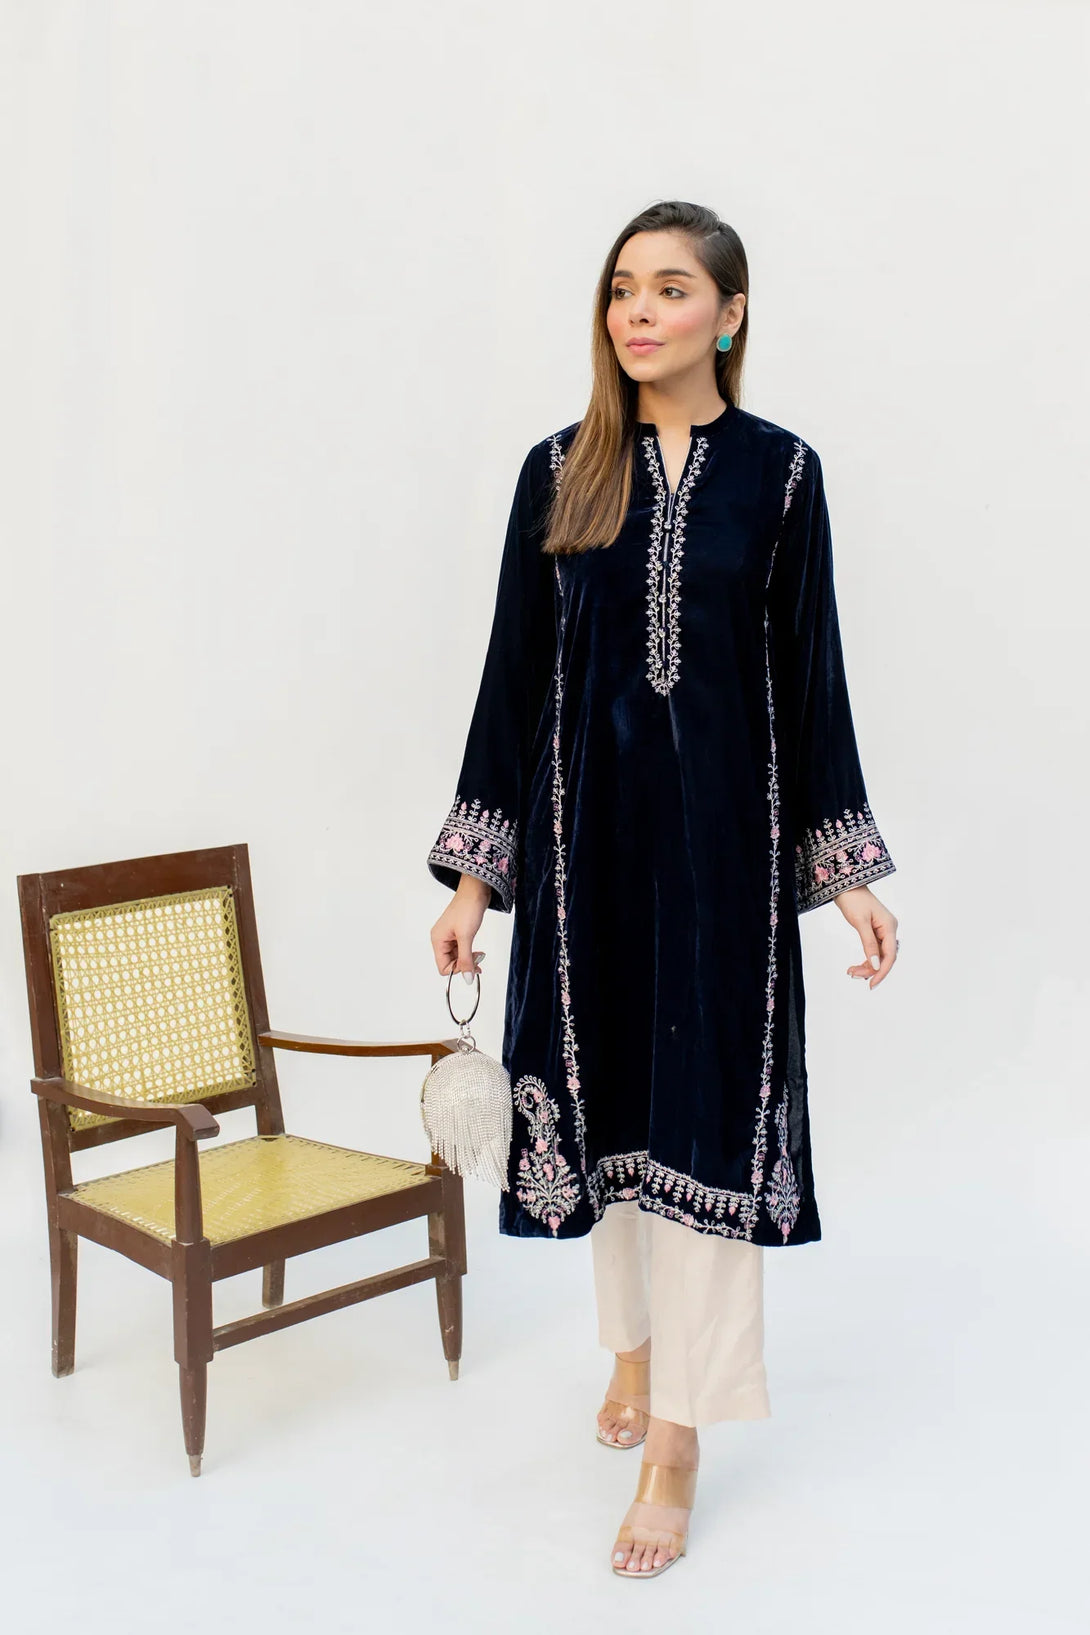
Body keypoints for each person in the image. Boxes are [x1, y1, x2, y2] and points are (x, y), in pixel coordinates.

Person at [426, 198, 900, 1578]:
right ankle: (629, 1349)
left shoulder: (783, 477)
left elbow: (812, 679)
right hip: (583, 863)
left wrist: (848, 872)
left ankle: (680, 1439)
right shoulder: (559, 469)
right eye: (623, 288)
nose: (639, 311)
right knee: (609, 1117)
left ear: (729, 315)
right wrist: (473, 881)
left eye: (672, 288)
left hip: (724, 866)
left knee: (706, 1126)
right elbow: (512, 679)